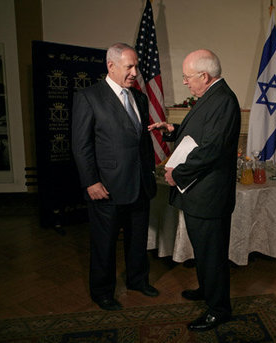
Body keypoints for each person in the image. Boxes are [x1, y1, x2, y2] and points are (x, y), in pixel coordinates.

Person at [148, 49, 241, 331]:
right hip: (200, 193)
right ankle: (208, 290)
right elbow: (198, 134)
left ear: (204, 75)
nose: (186, 82)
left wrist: (178, 173)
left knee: (212, 253)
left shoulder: (223, 100)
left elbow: (211, 149)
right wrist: (172, 130)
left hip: (209, 195)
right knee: (204, 250)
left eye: (188, 77)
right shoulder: (211, 96)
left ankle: (219, 309)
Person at [72, 42, 158, 311]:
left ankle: (137, 280)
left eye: (136, 66)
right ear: (111, 66)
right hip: (106, 186)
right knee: (104, 244)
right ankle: (102, 292)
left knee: (137, 239)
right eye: (129, 66)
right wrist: (90, 182)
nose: (135, 72)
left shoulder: (140, 98)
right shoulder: (89, 97)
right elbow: (81, 145)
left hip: (140, 183)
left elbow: (139, 140)